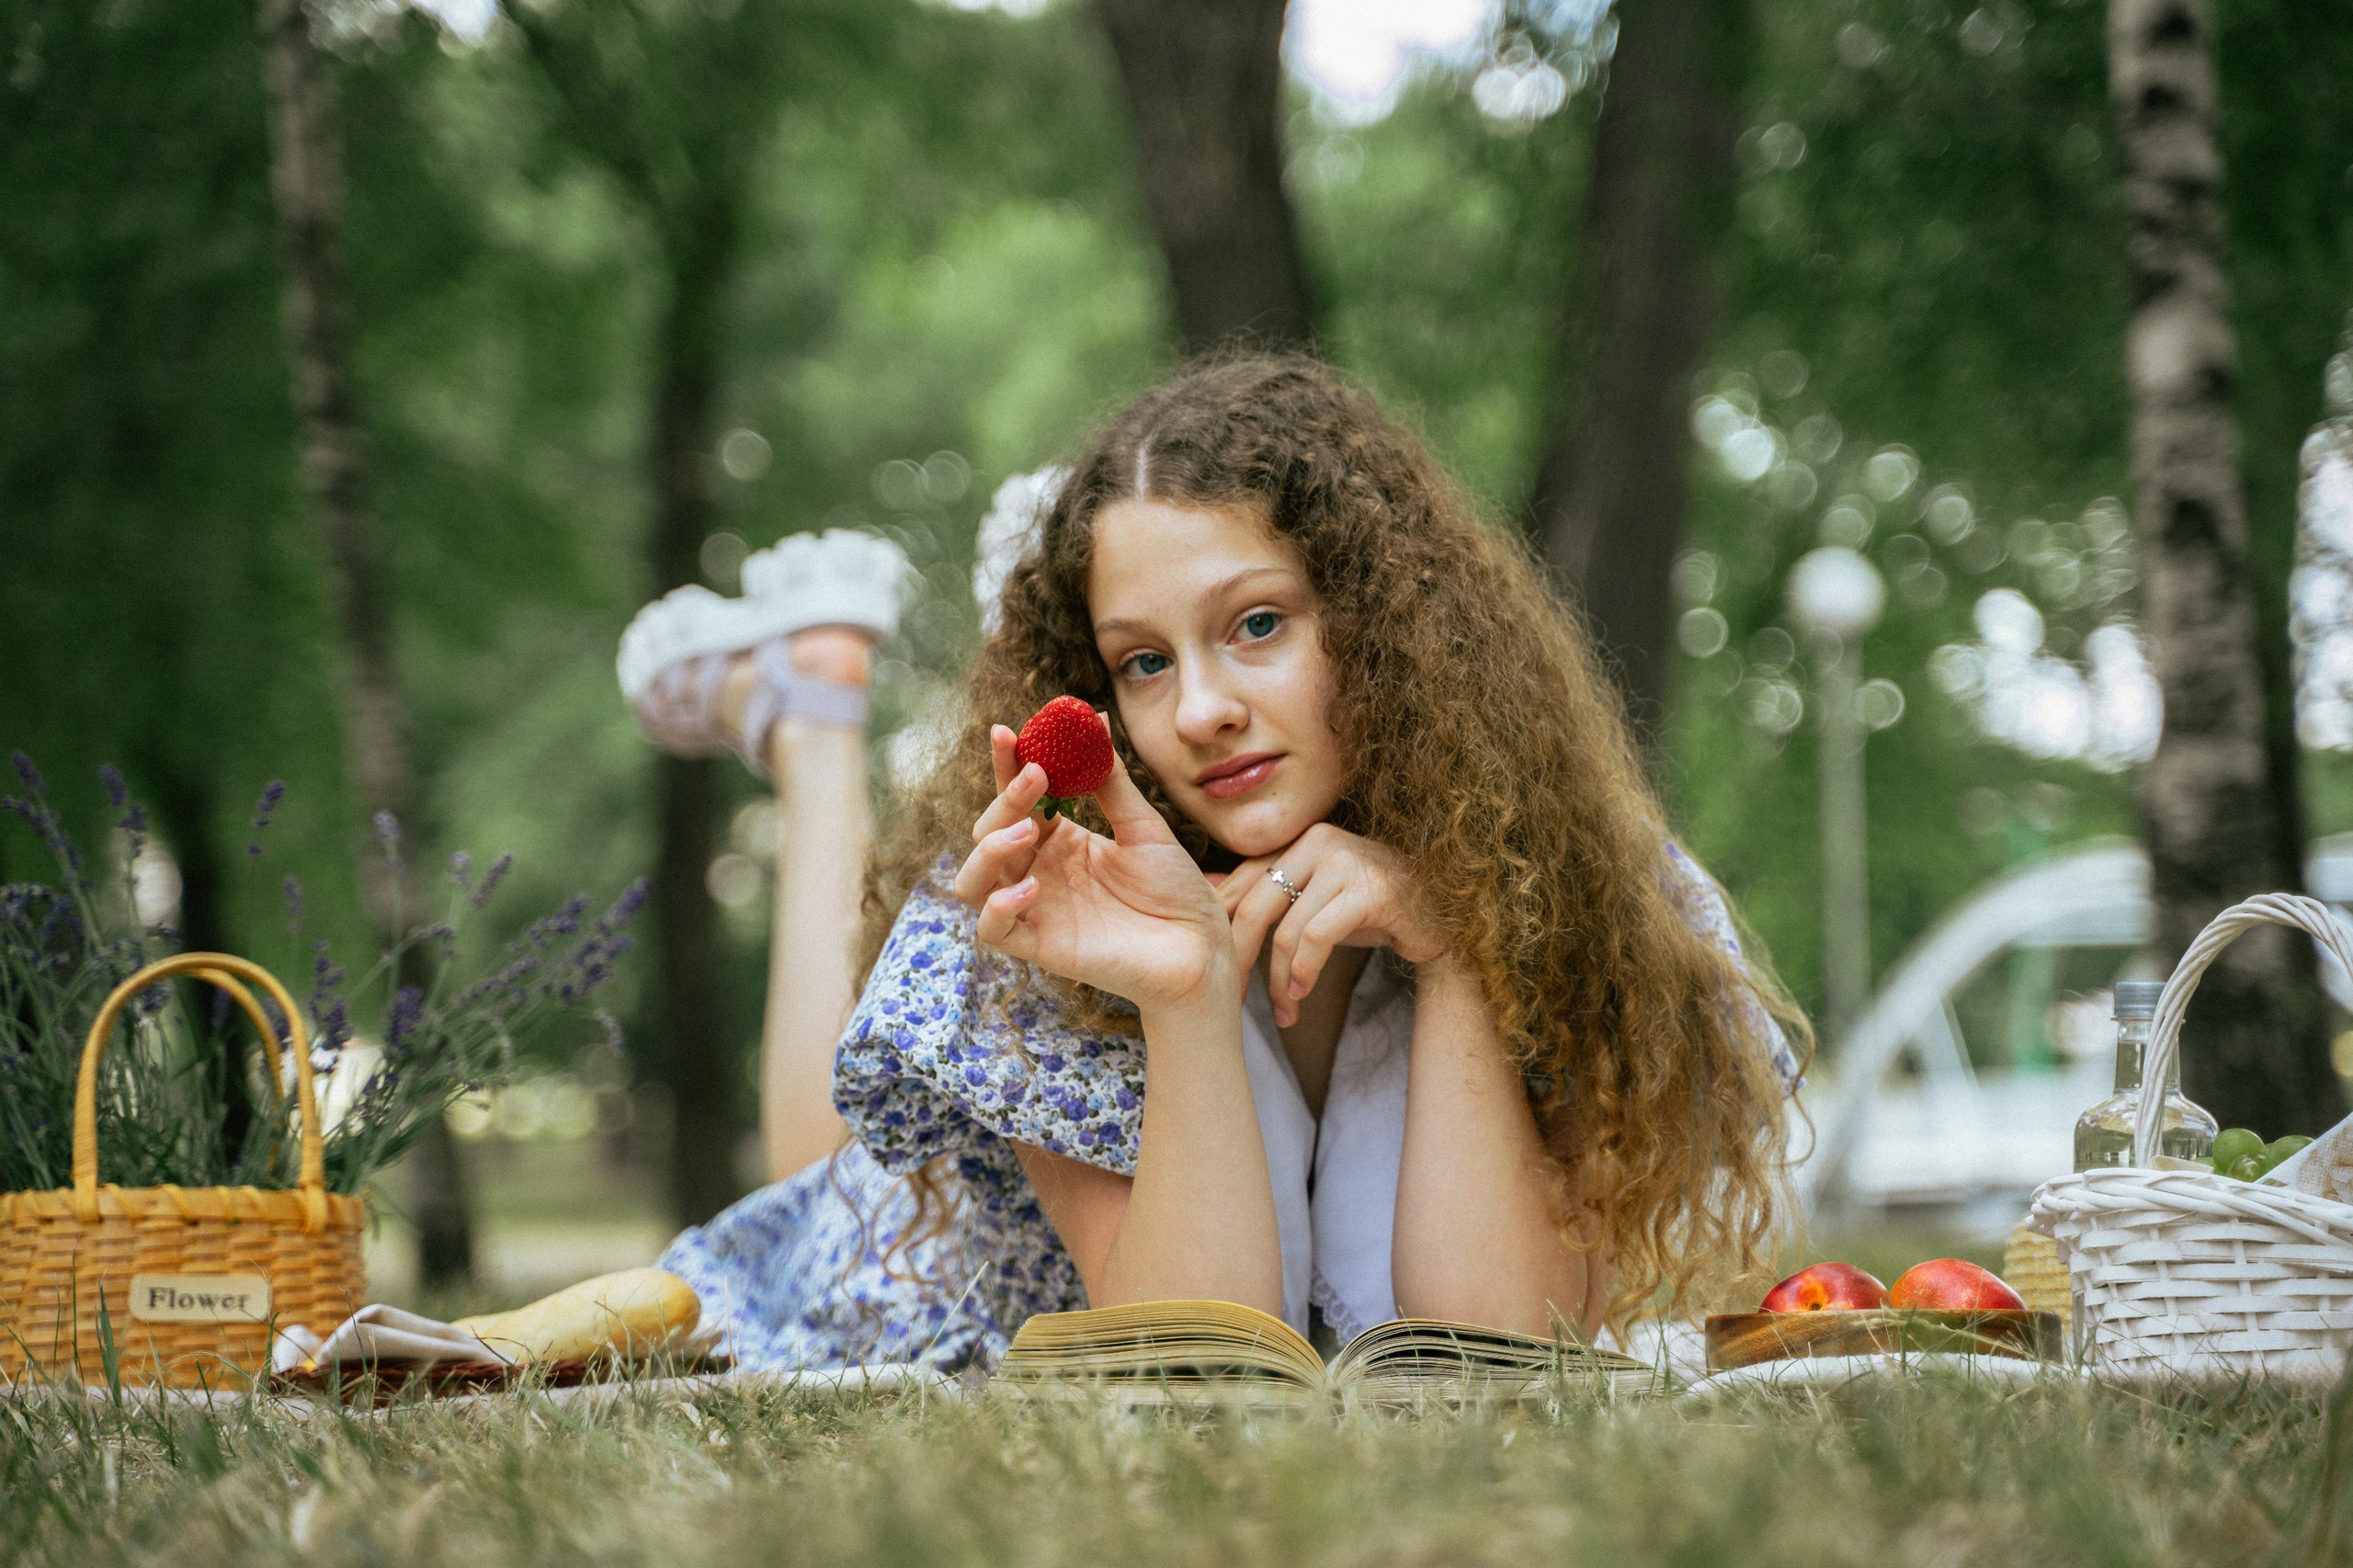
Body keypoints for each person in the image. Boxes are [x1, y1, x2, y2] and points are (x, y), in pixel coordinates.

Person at [618, 357, 1806, 1373]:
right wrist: (1184, 992)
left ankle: (1032, 585)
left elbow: (1489, 1355)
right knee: (822, 1167)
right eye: (1140, 661)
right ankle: (815, 731)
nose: (1198, 714)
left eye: (1256, 625)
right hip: (896, 1278)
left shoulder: (1591, 890)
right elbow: (1189, 1368)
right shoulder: (1060, 903)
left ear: (1390, 616)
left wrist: (1454, 950)